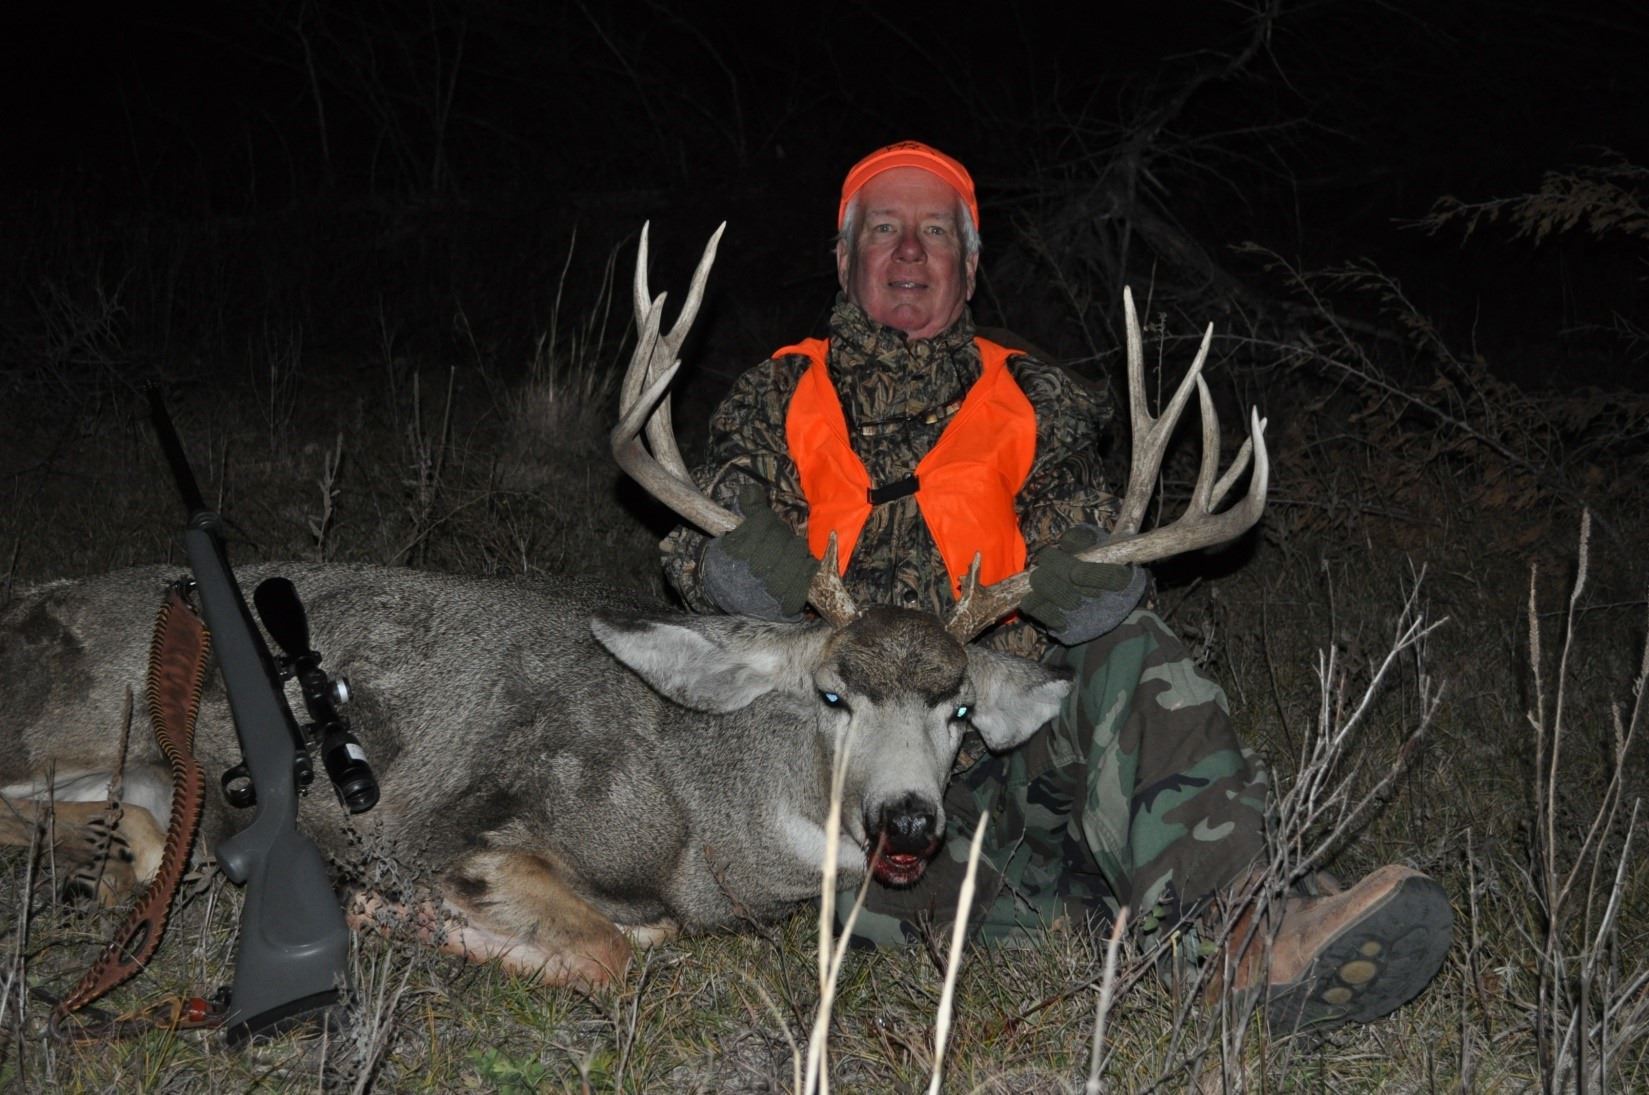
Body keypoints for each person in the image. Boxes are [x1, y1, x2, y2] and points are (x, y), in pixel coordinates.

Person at [661, 140, 1451, 1034]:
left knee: (1131, 649)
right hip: (853, 793)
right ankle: (1138, 917)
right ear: (843, 259)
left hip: (1005, 747)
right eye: (883, 230)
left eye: (935, 232)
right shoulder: (776, 394)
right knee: (831, 892)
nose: (909, 250)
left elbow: (1085, 522)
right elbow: (709, 522)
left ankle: (1243, 932)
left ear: (969, 266)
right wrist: (727, 566)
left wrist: (1092, 571)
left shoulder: (1033, 400)